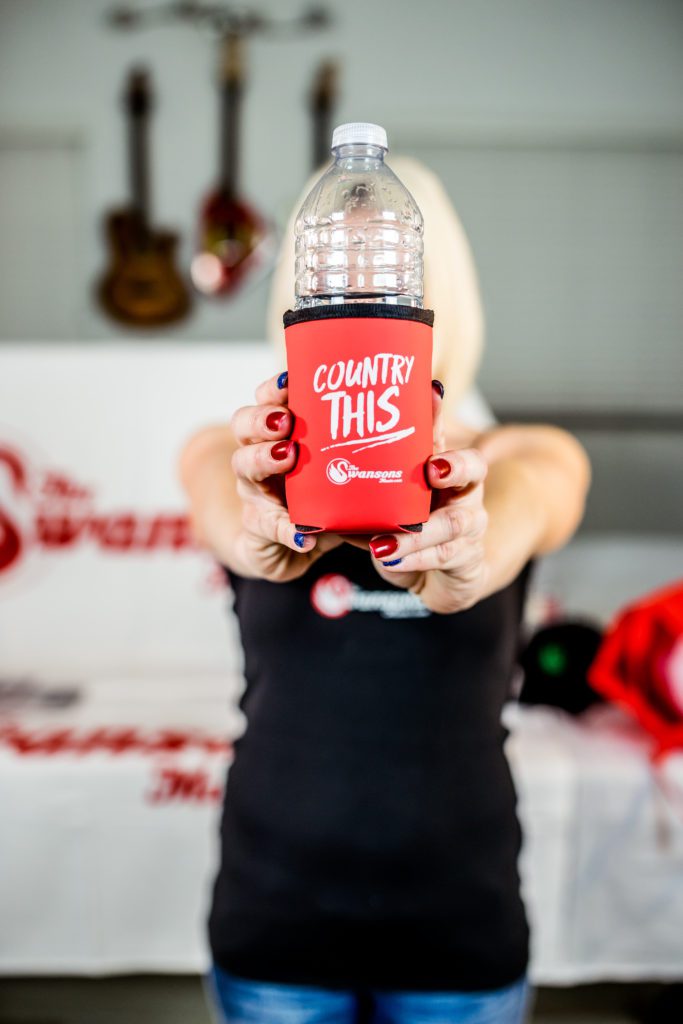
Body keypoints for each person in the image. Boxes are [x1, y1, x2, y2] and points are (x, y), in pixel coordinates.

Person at [180, 158, 590, 1024]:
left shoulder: (516, 456)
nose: (359, 294)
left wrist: (472, 541)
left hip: (460, 930)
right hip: (273, 924)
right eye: (338, 266)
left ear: (431, 286)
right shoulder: (240, 452)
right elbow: (220, 499)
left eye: (386, 267)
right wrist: (261, 526)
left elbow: (539, 493)